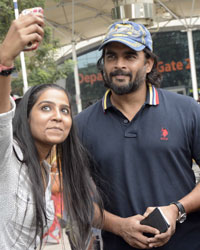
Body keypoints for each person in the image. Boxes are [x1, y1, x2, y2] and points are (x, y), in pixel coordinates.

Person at [75, 20, 200, 250]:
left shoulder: (188, 111)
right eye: (111, 57)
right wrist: (119, 225)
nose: (118, 65)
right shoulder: (81, 125)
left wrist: (176, 209)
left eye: (130, 56)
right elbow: (74, 197)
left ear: (149, 63)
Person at [0, 12, 102, 250]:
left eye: (65, 110)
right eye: (46, 108)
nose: (58, 116)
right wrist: (5, 58)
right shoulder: (8, 155)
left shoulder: (44, 167)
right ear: (25, 116)